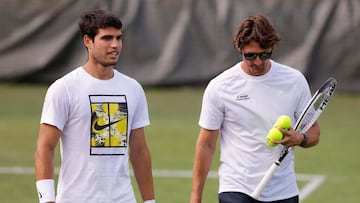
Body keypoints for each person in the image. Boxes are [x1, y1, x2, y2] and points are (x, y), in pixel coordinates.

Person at [190, 15, 320, 203]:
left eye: (264, 54)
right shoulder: (220, 87)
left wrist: (299, 139)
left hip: (283, 190)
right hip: (235, 188)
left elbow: (314, 132)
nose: (258, 62)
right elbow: (206, 144)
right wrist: (195, 196)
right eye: (250, 55)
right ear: (239, 49)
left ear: (272, 48)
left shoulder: (294, 81)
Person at [34, 9, 155, 203]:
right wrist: (47, 199)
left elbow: (140, 152)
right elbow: (45, 148)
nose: (115, 45)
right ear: (88, 41)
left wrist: (150, 201)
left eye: (118, 38)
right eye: (107, 38)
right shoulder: (64, 88)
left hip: (123, 198)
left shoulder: (133, 89)